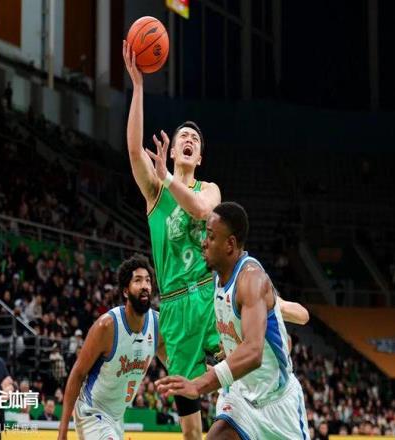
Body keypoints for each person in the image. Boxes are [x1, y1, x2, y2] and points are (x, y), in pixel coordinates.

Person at [123, 39, 222, 440]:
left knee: (241, 394)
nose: (188, 139)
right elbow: (134, 150)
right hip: (176, 308)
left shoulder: (209, 189)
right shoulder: (155, 193)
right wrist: (138, 87)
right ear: (174, 149)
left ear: (199, 157)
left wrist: (167, 175)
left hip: (211, 297)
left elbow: (199, 210)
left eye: (194, 139)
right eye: (183, 136)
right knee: (192, 431)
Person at [157, 202, 311, 439]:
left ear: (230, 244)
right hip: (240, 397)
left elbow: (253, 352)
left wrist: (199, 384)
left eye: (210, 236)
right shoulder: (215, 278)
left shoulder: (251, 280)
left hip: (277, 405)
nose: (203, 242)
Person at [58, 254, 164, 440]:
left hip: (116, 418)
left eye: (148, 280)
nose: (145, 285)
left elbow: (175, 363)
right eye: (138, 280)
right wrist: (63, 431)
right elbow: (77, 374)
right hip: (92, 412)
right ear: (125, 291)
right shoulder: (107, 326)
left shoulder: (157, 325)